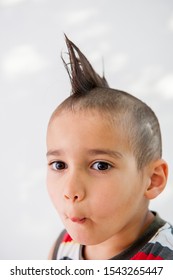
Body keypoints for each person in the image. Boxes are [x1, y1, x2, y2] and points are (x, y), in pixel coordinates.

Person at [46, 35, 173, 260]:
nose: (70, 191)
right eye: (59, 165)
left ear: (153, 179)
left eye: (101, 165)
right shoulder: (63, 246)